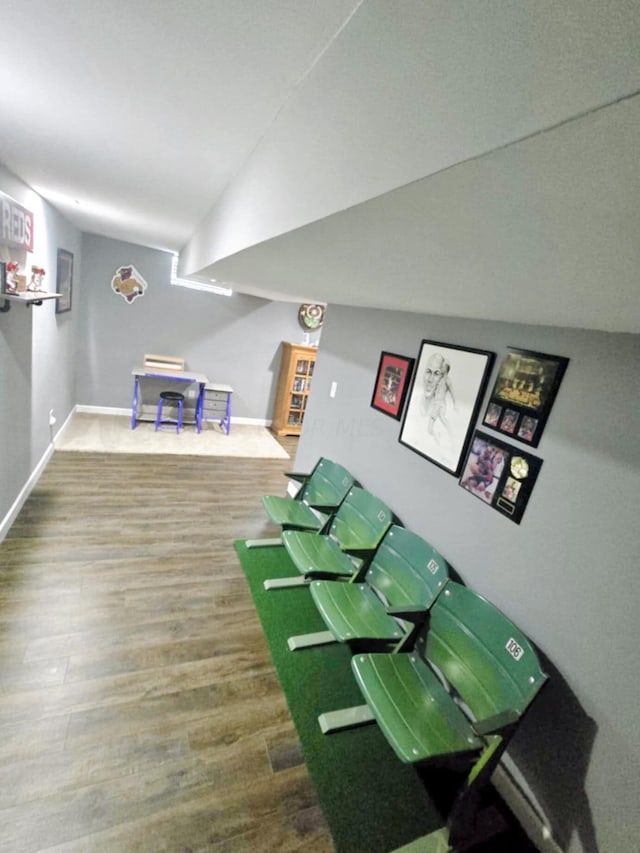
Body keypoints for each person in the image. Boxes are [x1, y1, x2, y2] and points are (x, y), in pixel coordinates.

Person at [421, 352, 456, 444]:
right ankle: (438, 439)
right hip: (436, 404)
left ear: (446, 369)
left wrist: (455, 404)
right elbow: (433, 392)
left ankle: (449, 437)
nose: (442, 369)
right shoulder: (439, 380)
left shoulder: (447, 381)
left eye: (443, 368)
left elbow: (452, 393)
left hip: (440, 404)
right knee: (430, 428)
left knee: (442, 419)